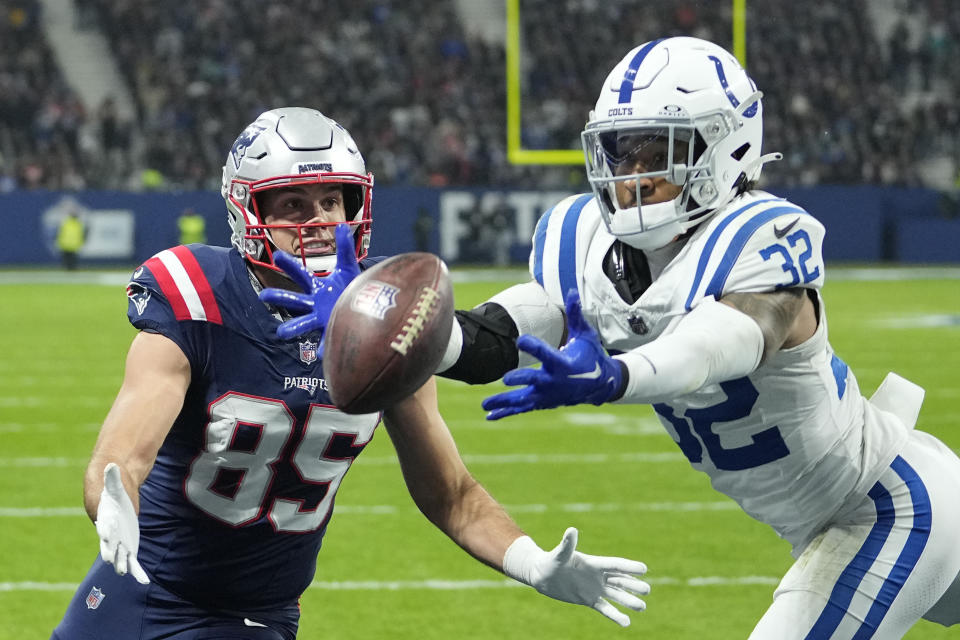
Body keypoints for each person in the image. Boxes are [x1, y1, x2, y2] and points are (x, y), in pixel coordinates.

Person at [264, 40, 960, 638]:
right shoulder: (585, 243)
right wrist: (384, 325)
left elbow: (720, 344)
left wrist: (619, 377)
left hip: (886, 506)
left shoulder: (761, 240)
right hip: (824, 513)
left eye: (660, 151)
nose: (632, 173)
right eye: (621, 150)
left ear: (729, 147)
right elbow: (493, 338)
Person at [51, 107, 649, 640]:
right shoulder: (197, 294)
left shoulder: (384, 317)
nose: (318, 221)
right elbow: (122, 456)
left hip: (251, 616)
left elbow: (450, 494)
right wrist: (113, 505)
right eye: (293, 203)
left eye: (332, 201)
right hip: (136, 587)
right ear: (246, 209)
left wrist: (529, 560)